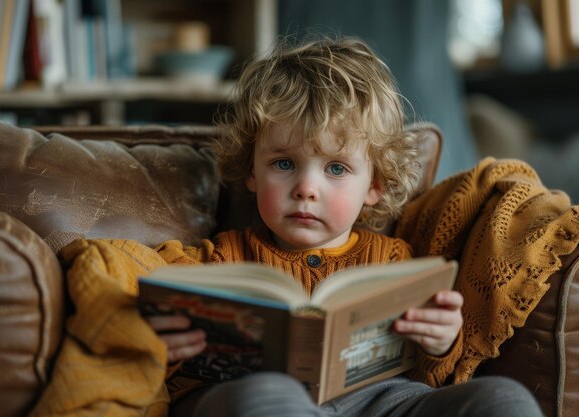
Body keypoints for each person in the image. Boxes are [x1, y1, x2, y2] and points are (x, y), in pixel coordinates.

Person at [145, 36, 544, 417]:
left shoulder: (393, 262)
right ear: (251, 170)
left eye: (336, 168)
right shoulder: (218, 261)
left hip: (378, 402)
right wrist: (161, 344)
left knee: (502, 398)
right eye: (283, 163)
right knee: (263, 395)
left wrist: (439, 341)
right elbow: (156, 329)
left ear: (373, 185)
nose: (305, 189)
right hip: (260, 398)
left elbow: (425, 371)